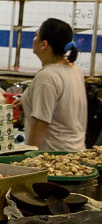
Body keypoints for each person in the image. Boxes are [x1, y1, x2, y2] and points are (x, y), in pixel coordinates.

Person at [21, 18, 86, 151]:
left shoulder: (47, 77)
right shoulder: (74, 70)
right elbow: (62, 109)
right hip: (75, 152)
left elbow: (41, 124)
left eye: (36, 36)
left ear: (44, 44)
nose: (34, 39)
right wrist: (28, 103)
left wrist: (26, 159)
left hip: (53, 156)